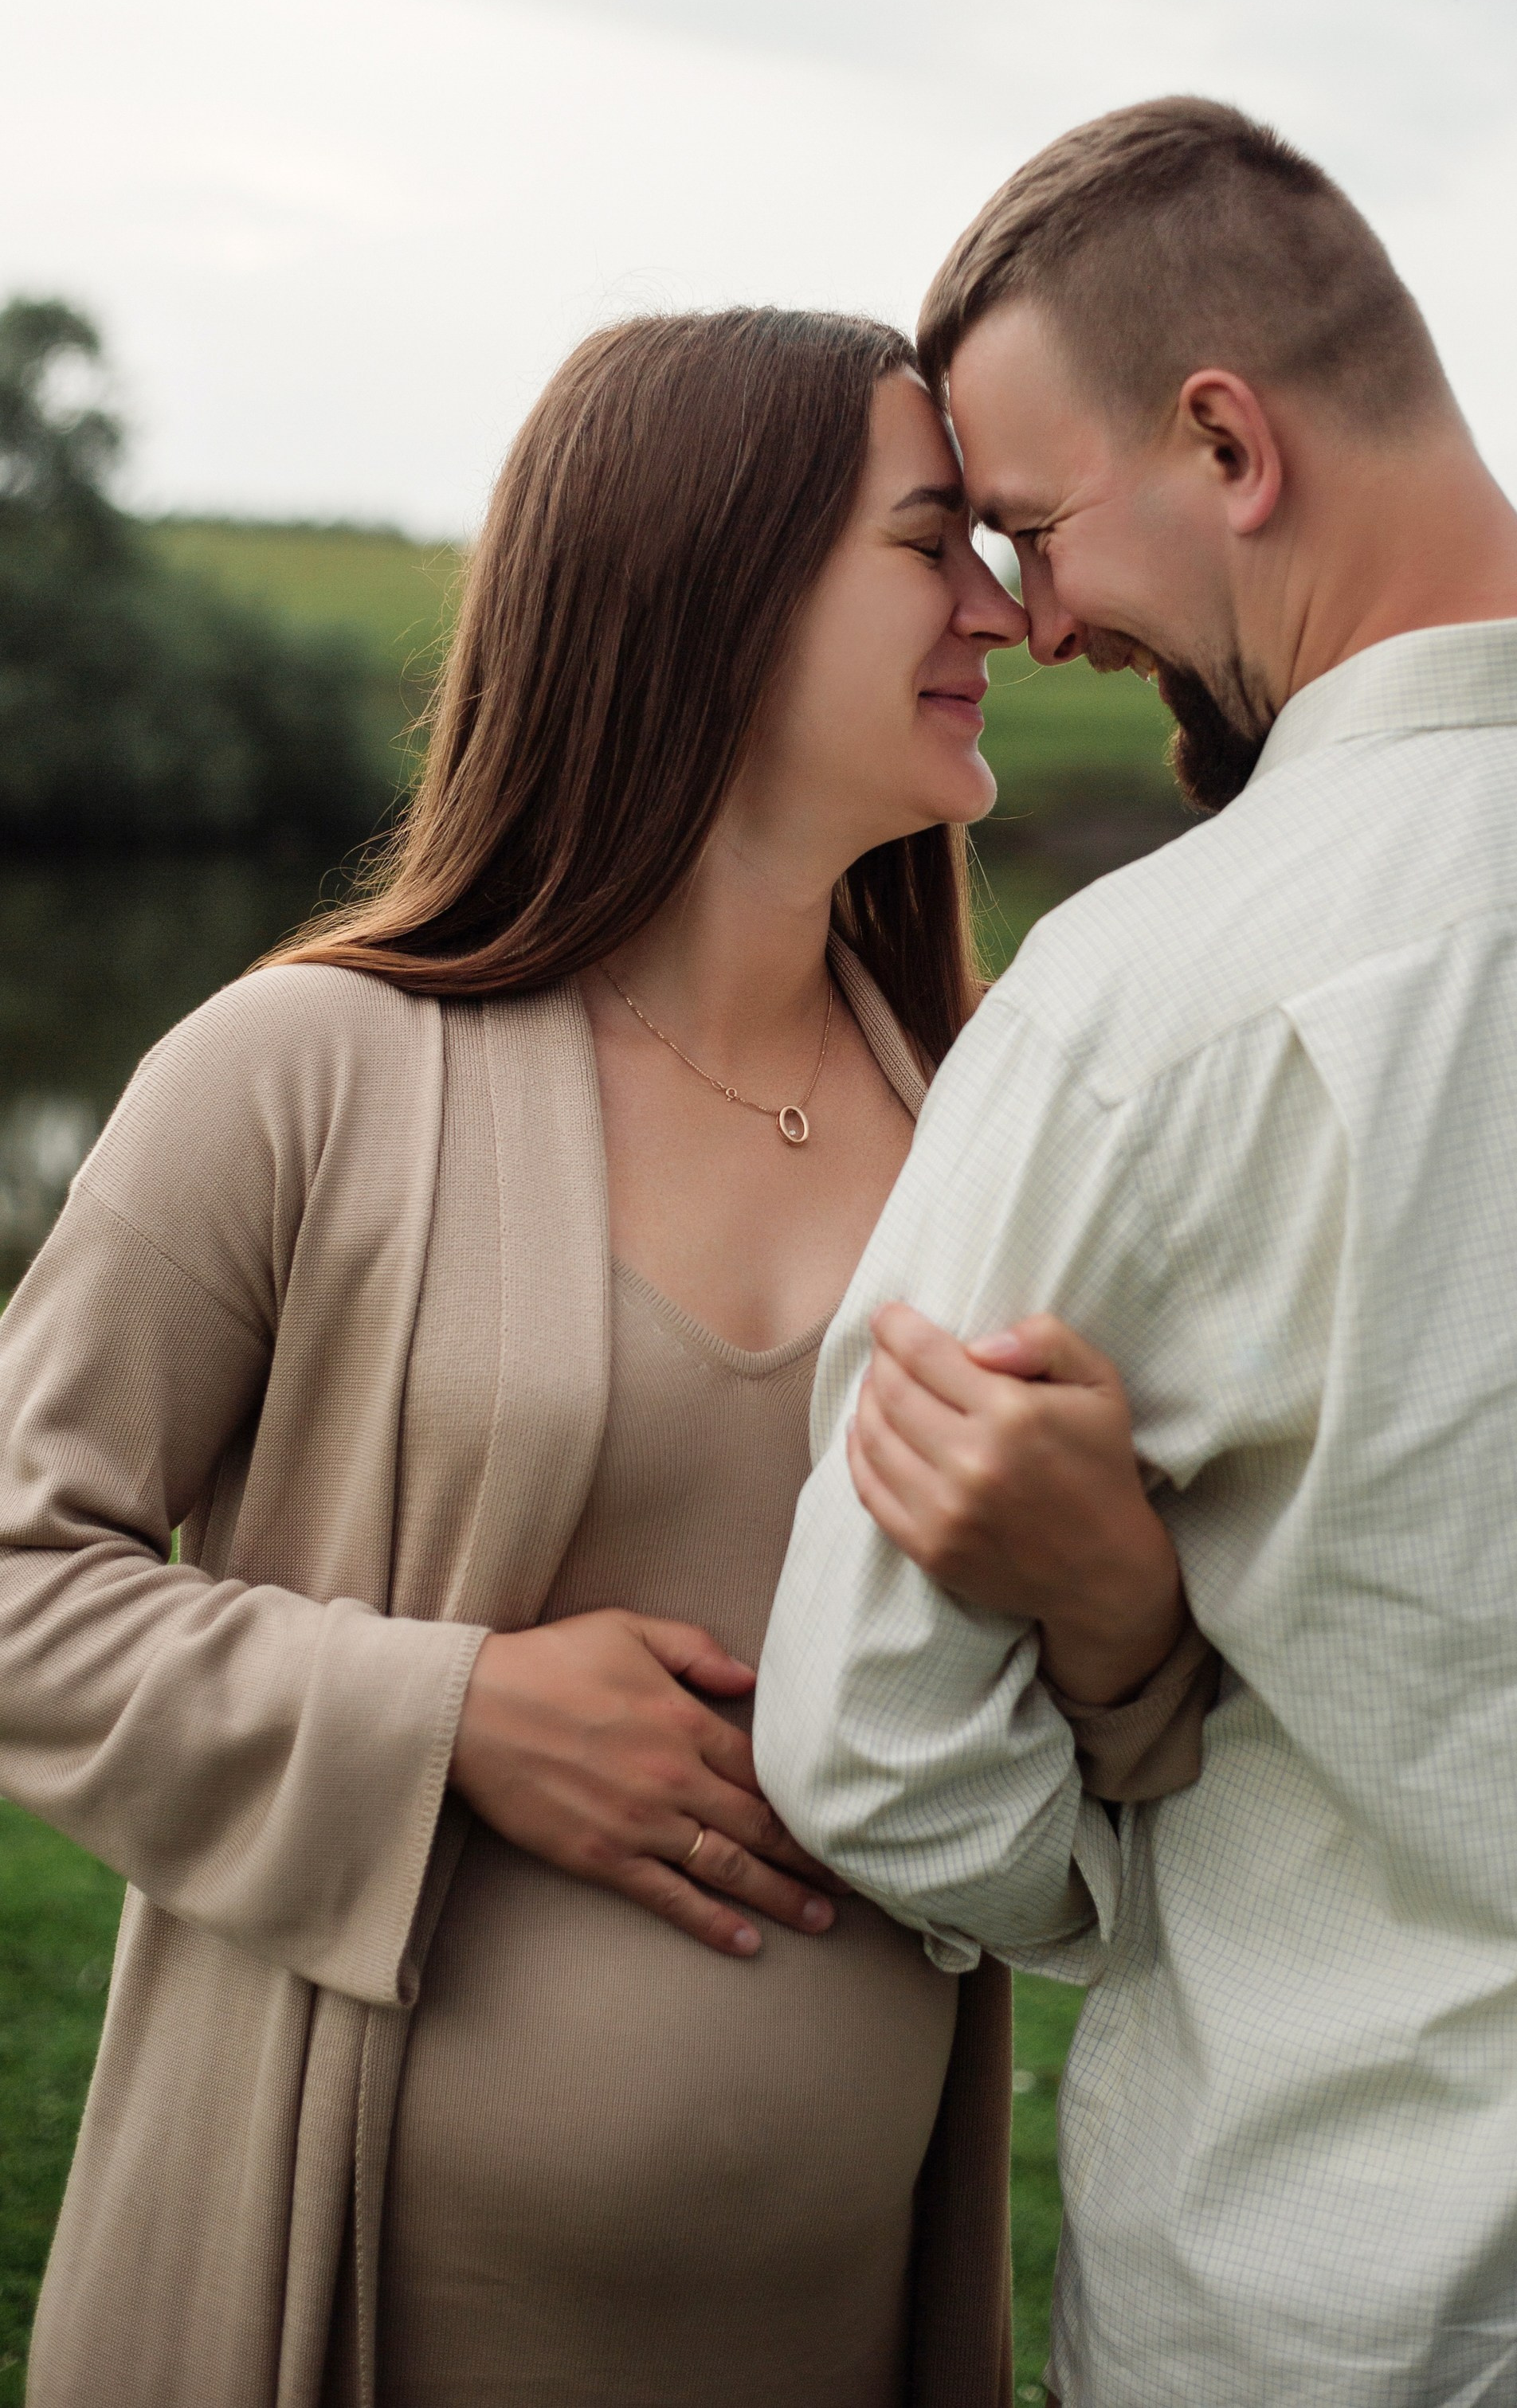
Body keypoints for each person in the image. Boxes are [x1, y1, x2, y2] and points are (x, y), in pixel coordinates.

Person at [756, 97, 1517, 2406]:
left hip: (1348, 2321)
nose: (1033, 621)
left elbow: (871, 1749)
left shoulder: (1138, 1003)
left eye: (1038, 532)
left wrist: (1159, 1799)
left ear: (1230, 442)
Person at [0, 306, 1194, 2408]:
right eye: (933, 543)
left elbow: (1150, 1741)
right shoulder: (306, 1075)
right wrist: (447, 1713)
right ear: (712, 587)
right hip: (348, 2316)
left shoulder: (1003, 1119)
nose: (1002, 610)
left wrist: (1113, 1602)